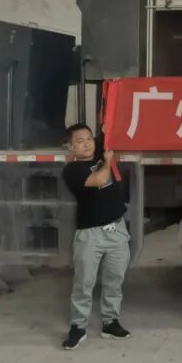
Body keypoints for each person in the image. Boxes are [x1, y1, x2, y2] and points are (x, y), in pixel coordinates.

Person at [60, 124, 132, 349]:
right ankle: (78, 326)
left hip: (117, 231)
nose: (87, 144)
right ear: (71, 147)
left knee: (114, 280)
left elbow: (109, 128)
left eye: (89, 139)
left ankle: (110, 322)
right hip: (90, 235)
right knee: (84, 283)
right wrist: (108, 162)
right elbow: (100, 180)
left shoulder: (99, 151)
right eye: (80, 141)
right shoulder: (72, 171)